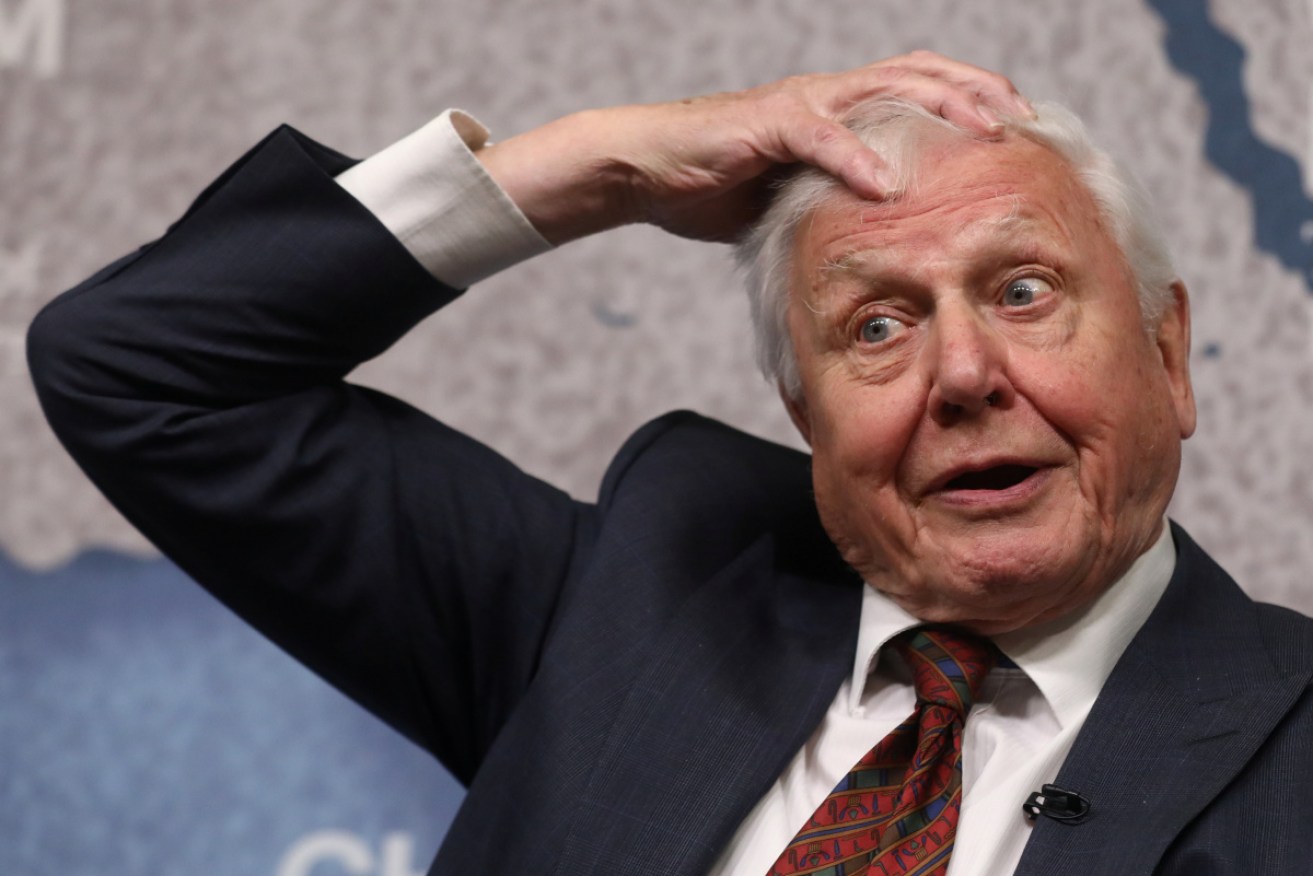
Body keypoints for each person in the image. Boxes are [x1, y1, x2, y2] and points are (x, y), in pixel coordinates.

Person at [27, 51, 1313, 875]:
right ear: (801, 412)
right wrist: (603, 166)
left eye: (1023, 291)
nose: (963, 374)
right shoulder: (630, 602)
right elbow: (140, 369)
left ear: (1167, 353)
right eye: (876, 326)